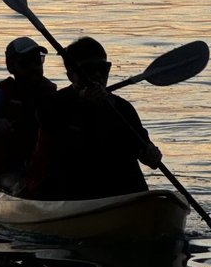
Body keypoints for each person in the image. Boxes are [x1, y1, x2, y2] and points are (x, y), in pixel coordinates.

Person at [25, 36, 162, 200]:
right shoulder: (53, 103)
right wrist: (82, 100)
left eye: (103, 68)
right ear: (71, 75)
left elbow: (144, 150)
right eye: (88, 69)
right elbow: (46, 117)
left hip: (119, 195)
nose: (97, 75)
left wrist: (150, 154)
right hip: (69, 194)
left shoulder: (123, 108)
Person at [0, 36, 56, 192]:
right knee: (20, 186)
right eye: (25, 63)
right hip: (6, 171)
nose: (33, 68)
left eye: (37, 61)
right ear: (11, 67)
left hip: (38, 166)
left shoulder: (51, 95)